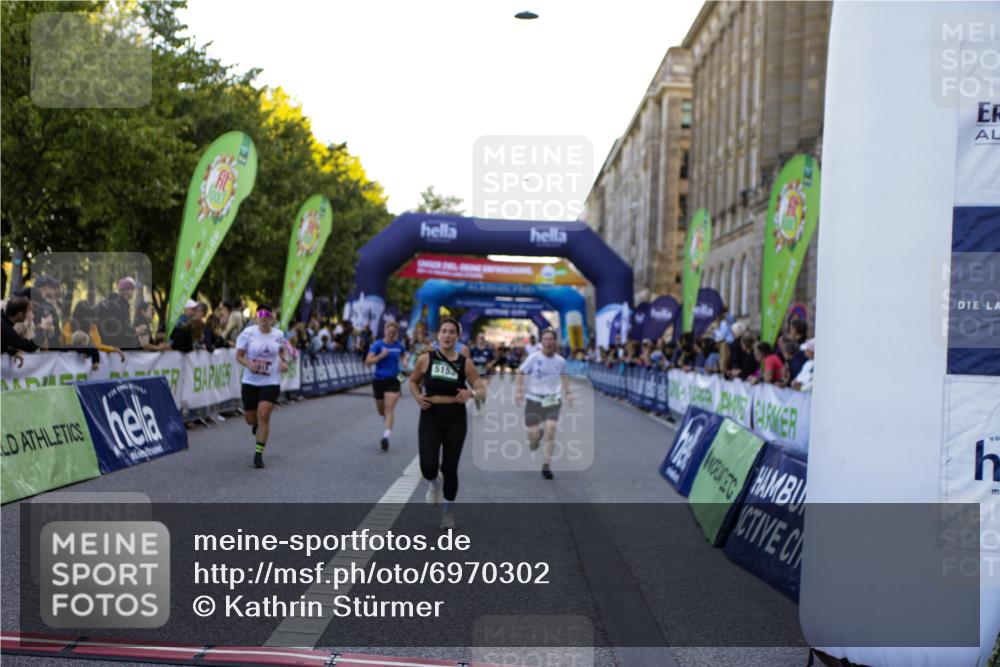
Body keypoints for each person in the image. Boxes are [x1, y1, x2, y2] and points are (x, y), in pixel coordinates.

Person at [408, 317, 485, 529]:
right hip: (430, 415)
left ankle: (448, 513)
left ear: (457, 336)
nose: (447, 335)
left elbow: (482, 388)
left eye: (452, 332)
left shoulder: (465, 362)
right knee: (428, 466)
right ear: (438, 335)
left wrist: (470, 392)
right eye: (443, 331)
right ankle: (434, 484)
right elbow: (413, 381)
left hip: (455, 417)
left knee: (450, 467)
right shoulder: (426, 359)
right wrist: (416, 396)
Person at [515, 328, 572, 480]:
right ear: (542, 342)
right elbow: (520, 372)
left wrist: (568, 393)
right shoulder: (534, 358)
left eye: (551, 339)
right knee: (533, 436)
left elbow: (564, 376)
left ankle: (546, 465)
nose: (548, 342)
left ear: (555, 342)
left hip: (552, 399)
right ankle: (537, 436)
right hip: (534, 399)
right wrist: (519, 391)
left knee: (551, 429)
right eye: (545, 339)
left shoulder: (560, 361)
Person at [236, 306, 289, 469]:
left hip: (270, 381)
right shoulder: (248, 333)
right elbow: (238, 356)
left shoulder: (278, 335)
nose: (264, 317)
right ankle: (257, 427)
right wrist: (248, 364)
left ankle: (258, 454)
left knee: (264, 416)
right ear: (256, 317)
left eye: (267, 315)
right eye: (261, 314)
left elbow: (282, 351)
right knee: (250, 419)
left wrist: (284, 361)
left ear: (272, 318)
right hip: (250, 381)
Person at [366, 321, 407, 451]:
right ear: (385, 331)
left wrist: (405, 361)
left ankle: (386, 437)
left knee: (389, 409)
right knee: (381, 411)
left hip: (394, 380)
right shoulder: (378, 345)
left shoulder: (398, 345)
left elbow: (404, 355)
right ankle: (386, 418)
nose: (392, 334)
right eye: (390, 332)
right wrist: (380, 356)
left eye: (394, 332)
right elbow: (367, 362)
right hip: (379, 380)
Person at [96, 277, 140, 349]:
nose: (134, 292)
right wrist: (136, 331)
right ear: (128, 291)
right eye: (133, 289)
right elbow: (119, 331)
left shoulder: (110, 302)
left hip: (104, 346)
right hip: (115, 349)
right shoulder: (119, 306)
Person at [2, 296, 39, 366]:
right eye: (28, 310)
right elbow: (29, 346)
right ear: (20, 314)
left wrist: (13, 352)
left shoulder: (4, 323)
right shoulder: (6, 329)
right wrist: (42, 331)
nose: (31, 314)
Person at [467, 332, 497, 413]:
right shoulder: (473, 350)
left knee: (483, 389)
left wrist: (490, 363)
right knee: (476, 391)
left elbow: (494, 359)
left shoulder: (488, 350)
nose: (481, 340)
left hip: (485, 373)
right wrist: (470, 363)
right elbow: (467, 359)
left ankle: (483, 403)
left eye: (483, 338)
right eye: (480, 338)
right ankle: (478, 408)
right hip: (475, 374)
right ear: (477, 339)